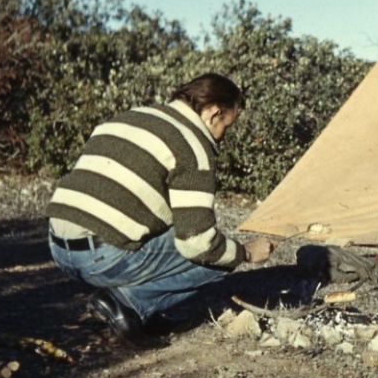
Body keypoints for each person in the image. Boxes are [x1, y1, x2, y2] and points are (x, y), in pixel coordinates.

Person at [46, 73, 275, 347]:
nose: (223, 137)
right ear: (215, 113)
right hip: (99, 257)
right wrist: (246, 252)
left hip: (58, 248)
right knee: (218, 253)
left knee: (193, 234)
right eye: (226, 125)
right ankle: (127, 304)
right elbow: (198, 244)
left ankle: (142, 308)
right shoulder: (193, 144)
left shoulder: (129, 117)